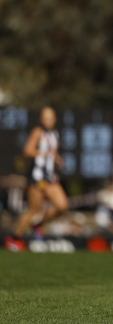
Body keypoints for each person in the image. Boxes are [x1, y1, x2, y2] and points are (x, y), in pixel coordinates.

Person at [4, 107, 69, 252]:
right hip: (36, 178)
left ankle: (38, 225)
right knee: (33, 209)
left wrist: (58, 159)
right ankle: (15, 238)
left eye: (50, 118)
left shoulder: (54, 134)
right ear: (41, 119)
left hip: (50, 178)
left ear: (54, 119)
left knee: (63, 206)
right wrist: (43, 153)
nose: (48, 121)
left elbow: (53, 152)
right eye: (46, 118)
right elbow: (27, 151)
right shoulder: (38, 132)